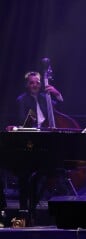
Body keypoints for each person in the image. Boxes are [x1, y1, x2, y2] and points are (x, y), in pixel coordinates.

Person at [9, 71, 64, 226]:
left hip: (44, 140)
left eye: (37, 82)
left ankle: (31, 208)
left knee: (43, 176)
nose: (35, 85)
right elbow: (21, 120)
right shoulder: (22, 100)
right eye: (32, 83)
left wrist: (57, 94)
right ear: (27, 85)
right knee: (25, 177)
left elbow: (58, 110)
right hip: (29, 140)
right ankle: (24, 211)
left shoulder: (45, 98)